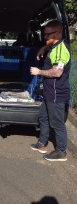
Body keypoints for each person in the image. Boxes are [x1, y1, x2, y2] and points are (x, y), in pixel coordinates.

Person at [30, 20, 71, 161]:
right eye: (45, 34)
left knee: (57, 123)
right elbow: (50, 46)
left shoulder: (61, 49)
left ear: (58, 33)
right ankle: (42, 143)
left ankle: (61, 151)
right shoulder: (54, 46)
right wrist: (43, 48)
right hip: (49, 93)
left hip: (56, 94)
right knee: (43, 117)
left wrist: (39, 71)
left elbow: (57, 73)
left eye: (48, 35)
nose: (45, 37)